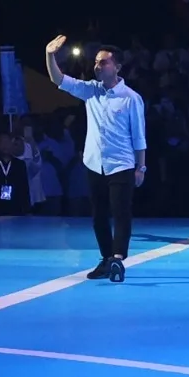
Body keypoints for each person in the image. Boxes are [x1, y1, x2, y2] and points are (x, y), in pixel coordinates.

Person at [44, 35, 146, 282]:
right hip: (94, 163)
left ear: (117, 67)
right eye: (96, 62)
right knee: (98, 215)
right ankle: (106, 258)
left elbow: (139, 136)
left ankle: (118, 258)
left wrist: (141, 167)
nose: (97, 66)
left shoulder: (131, 98)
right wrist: (49, 55)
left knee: (120, 213)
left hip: (121, 164)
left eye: (103, 62)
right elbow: (58, 79)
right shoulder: (90, 90)